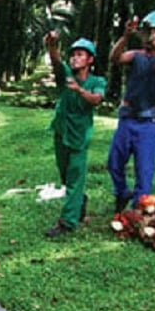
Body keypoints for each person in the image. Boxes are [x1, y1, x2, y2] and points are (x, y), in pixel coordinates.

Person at [107, 10, 155, 212]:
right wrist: (125, 36)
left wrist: (153, 42)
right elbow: (115, 58)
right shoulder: (136, 55)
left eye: (154, 31)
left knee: (144, 171)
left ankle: (138, 210)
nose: (149, 35)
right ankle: (121, 192)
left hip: (149, 123)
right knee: (114, 162)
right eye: (146, 30)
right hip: (127, 118)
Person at [43, 31, 106, 238]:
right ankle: (79, 199)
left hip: (80, 134)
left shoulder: (97, 81)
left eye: (80, 54)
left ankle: (68, 222)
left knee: (75, 175)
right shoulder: (66, 74)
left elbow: (96, 99)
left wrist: (79, 90)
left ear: (90, 60)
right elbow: (56, 61)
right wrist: (52, 45)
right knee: (65, 174)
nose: (75, 57)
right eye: (73, 54)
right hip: (61, 130)